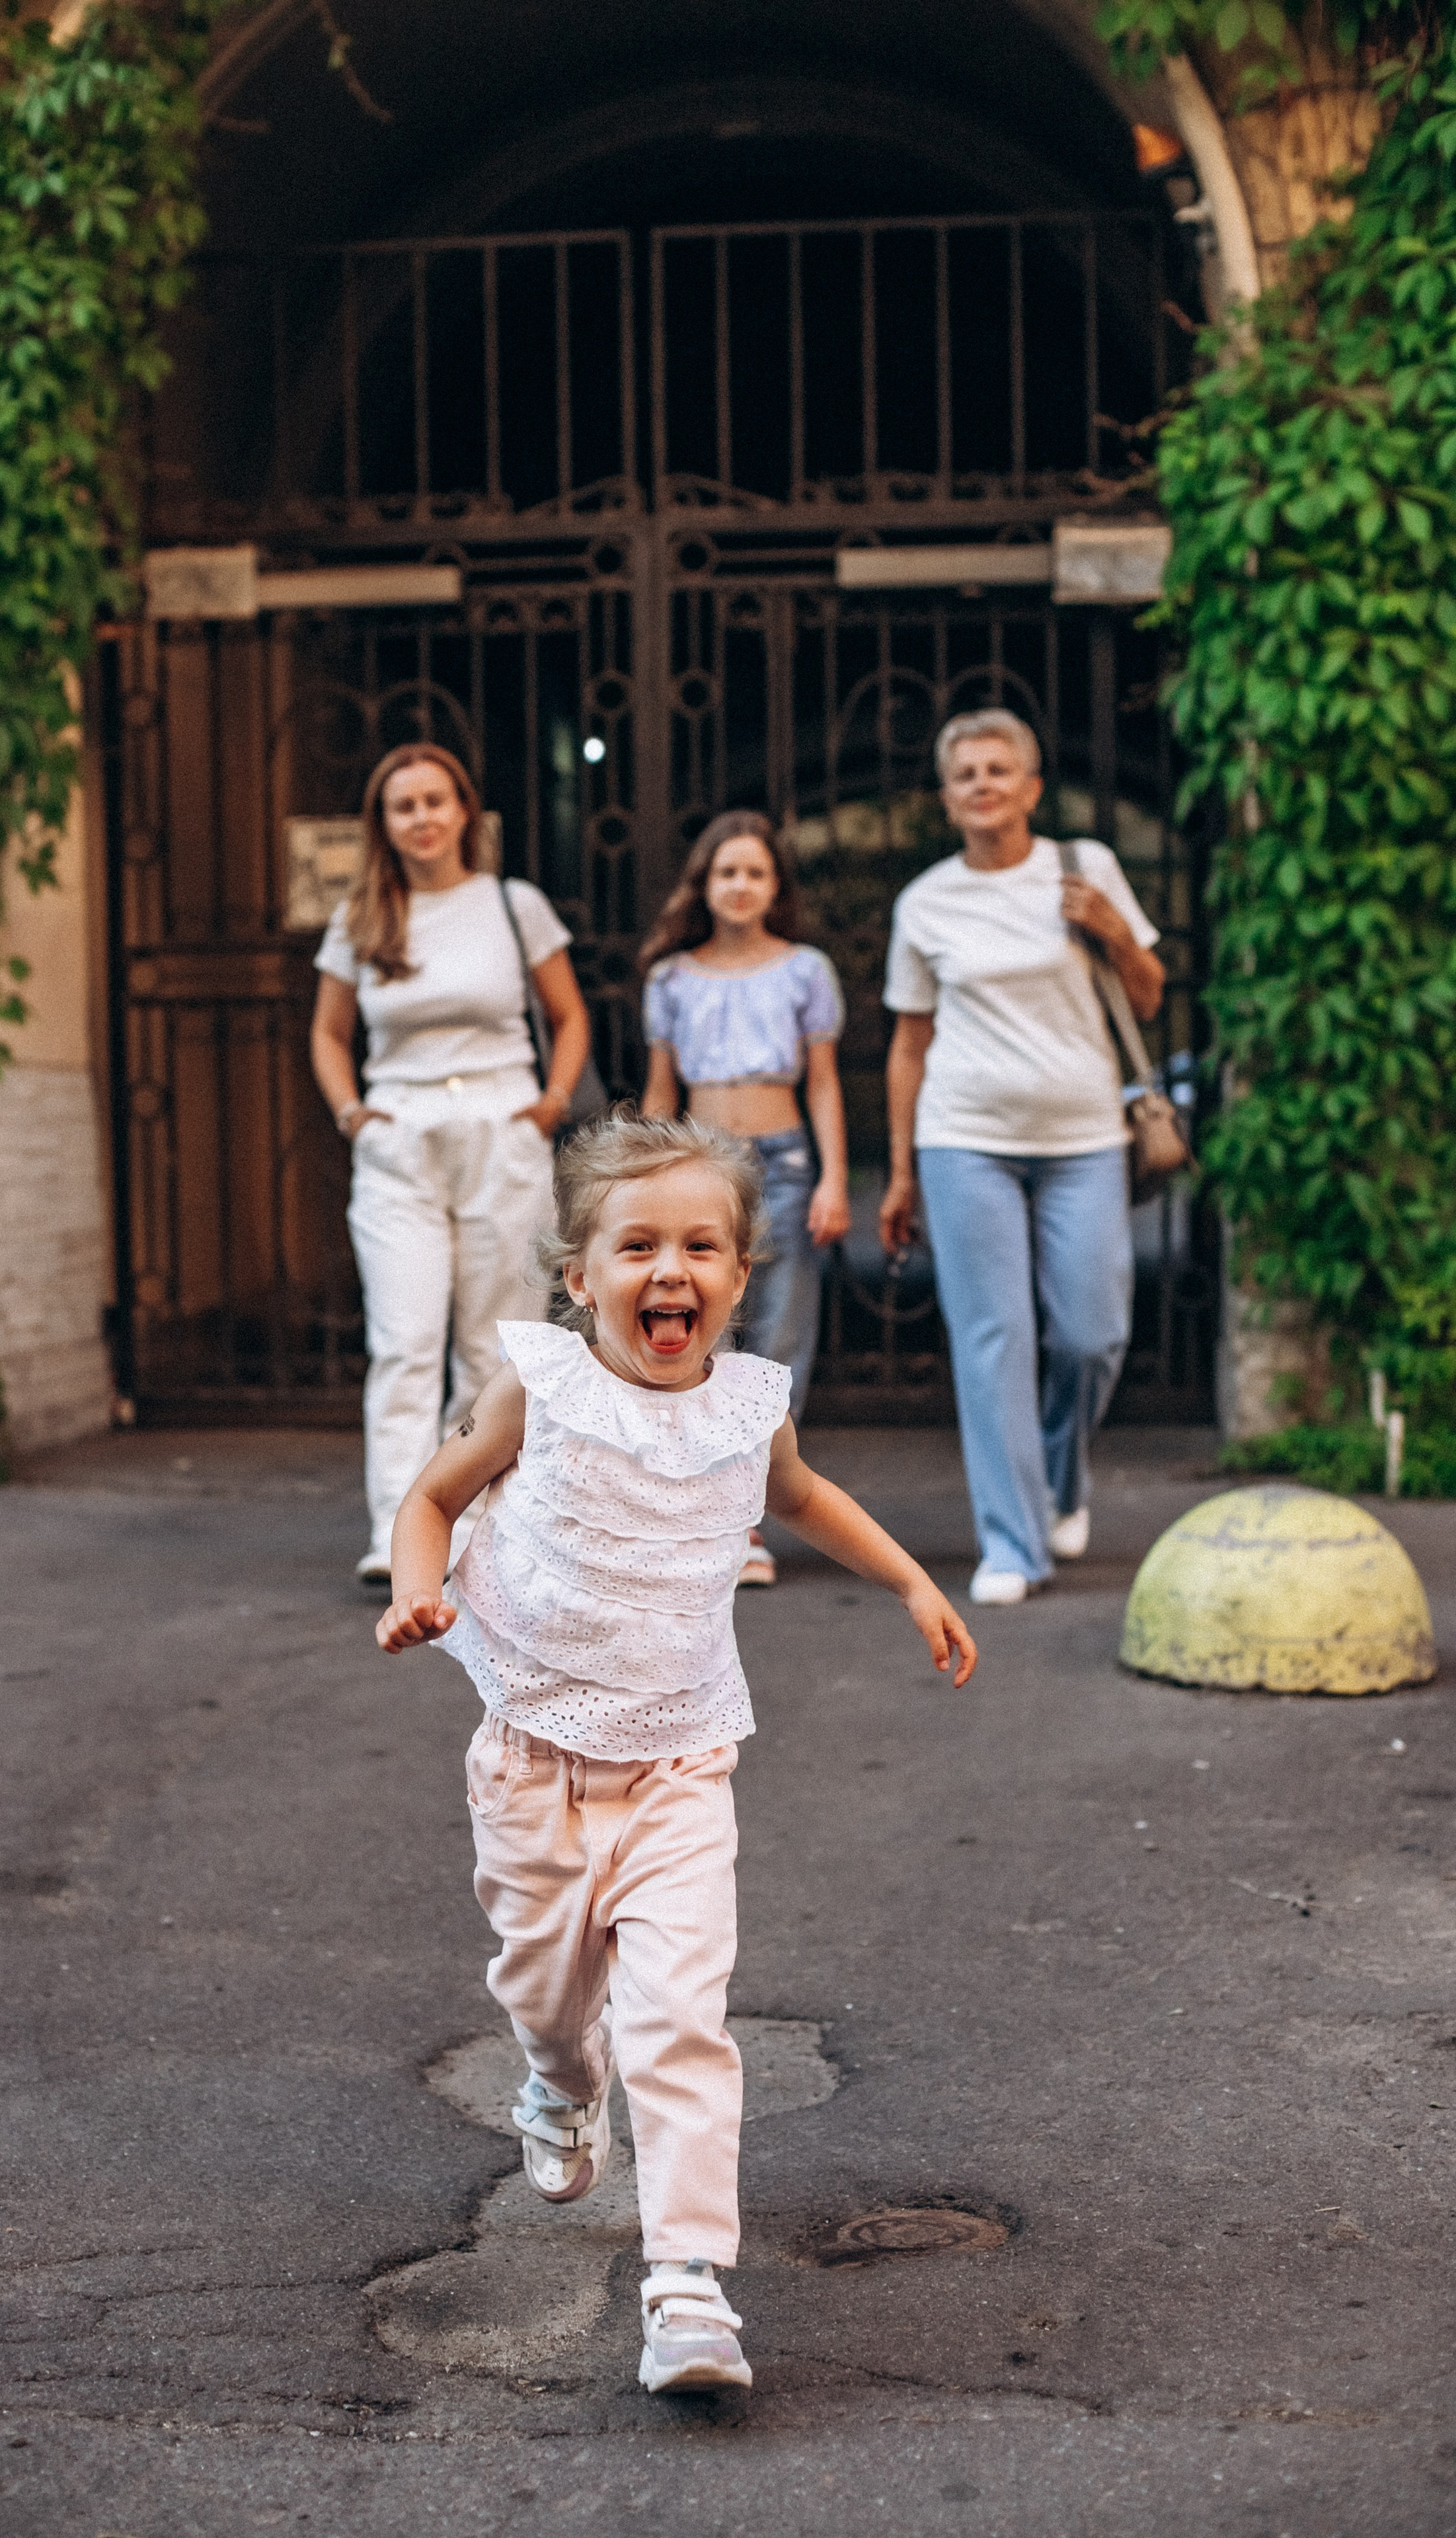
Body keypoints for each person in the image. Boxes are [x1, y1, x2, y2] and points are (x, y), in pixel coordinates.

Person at [375, 1111, 976, 2394]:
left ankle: (686, 2288)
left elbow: (803, 1499)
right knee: (543, 1992)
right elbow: (430, 1497)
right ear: (578, 1272)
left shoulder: (749, 1407)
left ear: (738, 1277)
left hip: (678, 1766)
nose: (669, 1271)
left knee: (682, 2023)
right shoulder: (536, 1386)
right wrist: (416, 1594)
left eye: (699, 1246)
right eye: (635, 1244)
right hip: (532, 1757)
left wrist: (912, 1583)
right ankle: (555, 2076)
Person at [879, 708, 1165, 1607]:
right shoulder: (925, 902)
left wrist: (1115, 931)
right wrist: (899, 1169)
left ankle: (1059, 1477)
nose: (984, 785)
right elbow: (909, 1046)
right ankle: (1012, 1541)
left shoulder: (1086, 869)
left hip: (1084, 1137)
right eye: (966, 774)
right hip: (965, 1137)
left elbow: (1150, 1003)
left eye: (1000, 770)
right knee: (992, 1341)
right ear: (948, 798)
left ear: (1033, 788)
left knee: (1092, 1331)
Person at [310, 741, 592, 1584]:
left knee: (494, 1342)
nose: (423, 818)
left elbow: (568, 1015)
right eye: (404, 806)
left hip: (500, 1123)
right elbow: (327, 1033)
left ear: (464, 810)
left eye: (436, 801)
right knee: (403, 1339)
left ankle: (475, 1519)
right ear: (384, 824)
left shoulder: (513, 904)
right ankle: (397, 1530)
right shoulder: (360, 918)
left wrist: (550, 1100)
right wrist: (353, 1115)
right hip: (400, 1133)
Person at [638, 811, 851, 1587]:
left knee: (777, 1344)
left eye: (755, 873)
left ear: (774, 887)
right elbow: (660, 1090)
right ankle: (700, 1522)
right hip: (699, 1169)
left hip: (785, 1164)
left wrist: (832, 1176)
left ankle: (749, 1524)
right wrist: (648, 1183)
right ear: (705, 884)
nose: (740, 886)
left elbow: (823, 1081)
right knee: (701, 1338)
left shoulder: (805, 971)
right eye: (726, 872)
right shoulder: (670, 978)